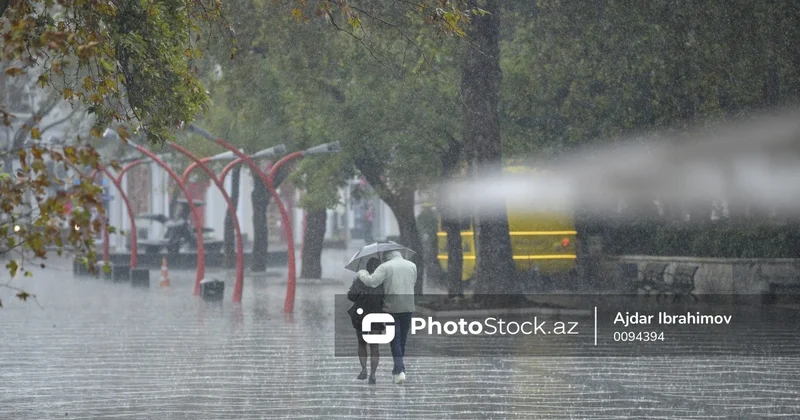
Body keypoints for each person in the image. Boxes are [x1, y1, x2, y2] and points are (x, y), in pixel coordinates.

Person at [358, 249, 416, 385]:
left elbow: (372, 282)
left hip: (392, 308)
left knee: (395, 340)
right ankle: (398, 370)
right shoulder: (412, 266)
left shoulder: (385, 267)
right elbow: (412, 284)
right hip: (408, 306)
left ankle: (400, 370)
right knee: (402, 340)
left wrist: (362, 272)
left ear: (386, 256)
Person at [347, 257, 383, 385]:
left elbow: (351, 296)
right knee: (375, 346)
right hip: (377, 315)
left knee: (362, 343)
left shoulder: (360, 280)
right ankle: (373, 375)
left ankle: (363, 370)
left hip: (361, 316)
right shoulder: (382, 281)